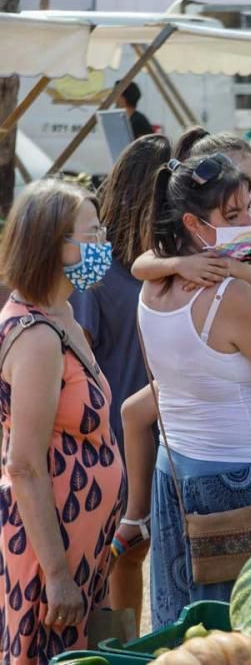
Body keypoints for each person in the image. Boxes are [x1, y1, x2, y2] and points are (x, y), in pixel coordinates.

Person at [140, 153, 251, 626]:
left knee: (182, 631)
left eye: (247, 210)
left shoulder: (152, 287)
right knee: (244, 634)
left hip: (173, 473)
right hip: (240, 485)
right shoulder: (231, 295)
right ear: (193, 224)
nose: (246, 222)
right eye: (232, 215)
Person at [0, 179, 124, 663]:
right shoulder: (36, 338)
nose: (102, 244)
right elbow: (25, 464)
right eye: (92, 234)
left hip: (82, 547)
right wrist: (56, 575)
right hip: (50, 555)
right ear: (55, 245)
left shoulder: (63, 314)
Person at [69, 133, 170, 633]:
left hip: (166, 432)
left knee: (140, 550)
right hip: (109, 438)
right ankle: (119, 646)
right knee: (119, 555)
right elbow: (77, 356)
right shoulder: (100, 270)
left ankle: (130, 642)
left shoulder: (168, 263)